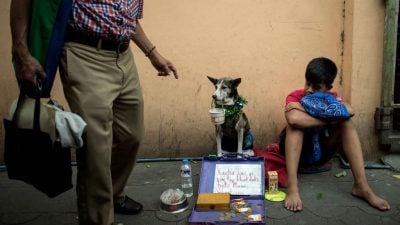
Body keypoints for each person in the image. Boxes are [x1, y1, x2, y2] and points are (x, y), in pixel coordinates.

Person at [10, 0, 178, 224]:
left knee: (131, 136)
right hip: (84, 54)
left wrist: (152, 53)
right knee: (96, 149)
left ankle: (112, 194)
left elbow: (127, 18)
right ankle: (97, 216)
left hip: (123, 56)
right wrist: (21, 51)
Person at [282, 57, 390, 212]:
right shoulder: (296, 96)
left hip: (323, 153)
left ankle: (362, 186)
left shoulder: (331, 99)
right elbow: (293, 118)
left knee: (346, 123)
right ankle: (292, 188)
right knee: (295, 127)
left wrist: (303, 108)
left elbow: (350, 110)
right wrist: (330, 116)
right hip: (299, 156)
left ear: (328, 88)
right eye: (307, 83)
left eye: (317, 87)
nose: (309, 90)